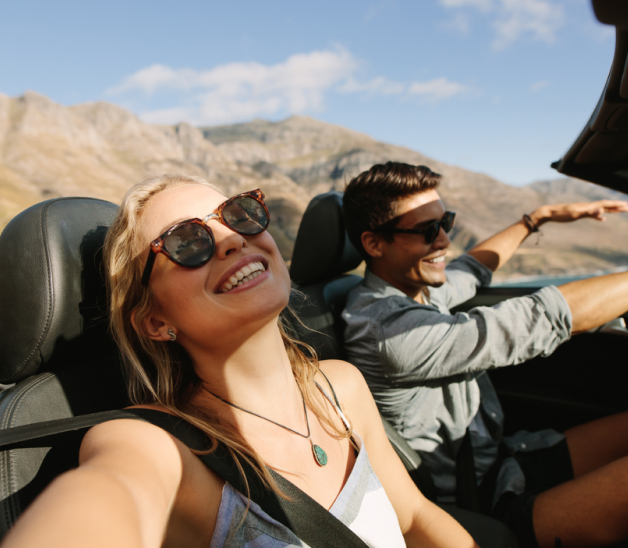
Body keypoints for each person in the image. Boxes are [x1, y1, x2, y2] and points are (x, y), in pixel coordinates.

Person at [0, 174, 478, 548]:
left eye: (239, 214)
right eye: (187, 241)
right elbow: (104, 503)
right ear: (154, 320)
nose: (232, 239)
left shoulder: (341, 387)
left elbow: (414, 518)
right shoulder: (154, 446)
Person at [341, 161, 628, 548]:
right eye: (427, 231)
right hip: (477, 503)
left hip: (504, 462)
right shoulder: (390, 331)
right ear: (375, 243)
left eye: (446, 222)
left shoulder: (413, 288)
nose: (443, 240)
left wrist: (537, 219)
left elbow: (474, 267)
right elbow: (532, 321)